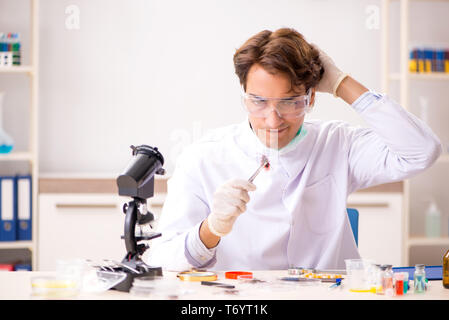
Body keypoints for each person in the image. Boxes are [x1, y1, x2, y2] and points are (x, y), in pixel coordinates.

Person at [146, 28, 442, 271]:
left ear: (311, 98)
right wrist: (211, 228)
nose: (273, 120)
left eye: (290, 102)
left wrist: (341, 83)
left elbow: (422, 151)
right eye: (258, 101)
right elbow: (161, 258)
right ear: (244, 96)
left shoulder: (337, 143)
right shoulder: (203, 157)